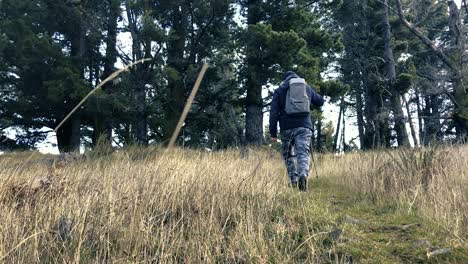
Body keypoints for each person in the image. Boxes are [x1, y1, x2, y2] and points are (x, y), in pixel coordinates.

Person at [269, 71, 324, 191]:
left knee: (288, 154)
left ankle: (293, 180)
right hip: (304, 126)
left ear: (285, 79)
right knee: (302, 152)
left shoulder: (280, 90)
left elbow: (273, 112)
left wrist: (273, 133)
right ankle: (303, 175)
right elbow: (320, 101)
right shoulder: (306, 88)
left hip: (286, 127)